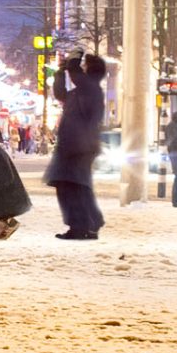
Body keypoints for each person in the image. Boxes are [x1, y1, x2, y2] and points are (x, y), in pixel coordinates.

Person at [45, 50, 110, 240]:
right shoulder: (83, 92)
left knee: (72, 186)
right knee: (73, 186)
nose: (81, 70)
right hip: (73, 145)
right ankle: (87, 223)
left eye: (84, 67)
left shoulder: (91, 89)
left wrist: (74, 57)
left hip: (78, 146)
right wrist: (59, 73)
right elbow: (60, 94)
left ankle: (82, 226)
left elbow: (74, 72)